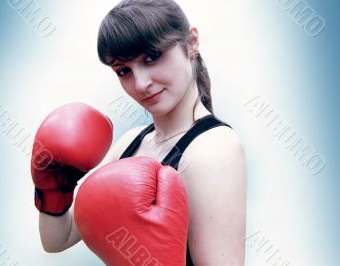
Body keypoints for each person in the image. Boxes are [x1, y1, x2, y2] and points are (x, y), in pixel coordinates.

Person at [35, 0, 246, 265]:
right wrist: (53, 186)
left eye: (152, 56)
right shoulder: (130, 143)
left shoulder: (214, 148)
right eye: (124, 71)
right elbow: (58, 239)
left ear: (191, 43)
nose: (141, 83)